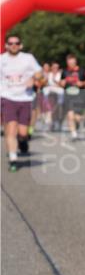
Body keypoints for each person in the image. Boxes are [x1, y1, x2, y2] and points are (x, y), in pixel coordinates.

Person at [1, 34, 43, 172]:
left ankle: (23, 141)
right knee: (11, 128)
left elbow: (39, 73)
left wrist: (34, 78)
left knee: (23, 132)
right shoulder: (1, 60)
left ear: (21, 45)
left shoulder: (28, 58)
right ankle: (13, 159)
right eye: (11, 43)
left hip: (25, 98)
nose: (13, 45)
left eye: (16, 43)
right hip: (7, 98)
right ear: (6, 45)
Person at [60, 54, 85, 139]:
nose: (71, 64)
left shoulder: (82, 71)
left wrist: (82, 83)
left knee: (78, 117)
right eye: (69, 62)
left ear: (75, 62)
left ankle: (80, 122)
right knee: (70, 114)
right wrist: (62, 83)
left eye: (73, 62)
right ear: (67, 62)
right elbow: (61, 83)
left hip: (79, 97)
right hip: (68, 96)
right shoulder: (64, 71)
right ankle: (73, 133)